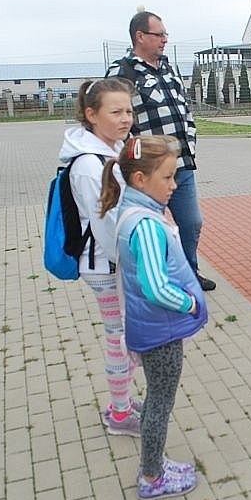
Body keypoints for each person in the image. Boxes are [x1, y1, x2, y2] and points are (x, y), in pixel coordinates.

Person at [100, 135, 207, 500]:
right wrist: (190, 304)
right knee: (160, 403)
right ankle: (152, 476)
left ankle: (155, 461)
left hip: (151, 327)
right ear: (140, 180)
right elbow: (155, 287)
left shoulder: (134, 211)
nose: (175, 185)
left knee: (155, 398)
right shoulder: (145, 224)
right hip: (160, 332)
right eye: (168, 177)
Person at [106, 8, 216, 292]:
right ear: (140, 36)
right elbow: (115, 122)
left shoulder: (168, 67)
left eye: (166, 34)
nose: (165, 39)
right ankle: (151, 280)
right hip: (147, 173)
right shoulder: (122, 72)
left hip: (181, 168)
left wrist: (189, 141)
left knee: (191, 224)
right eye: (160, 34)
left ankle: (188, 274)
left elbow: (184, 109)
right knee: (149, 230)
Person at [58, 77, 144, 436]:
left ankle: (119, 401)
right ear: (91, 114)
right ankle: (120, 415)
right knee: (120, 337)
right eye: (116, 111)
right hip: (107, 264)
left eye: (128, 110)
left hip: (113, 261)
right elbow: (106, 223)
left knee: (124, 336)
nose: (126, 118)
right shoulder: (90, 165)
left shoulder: (113, 148)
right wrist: (136, 265)